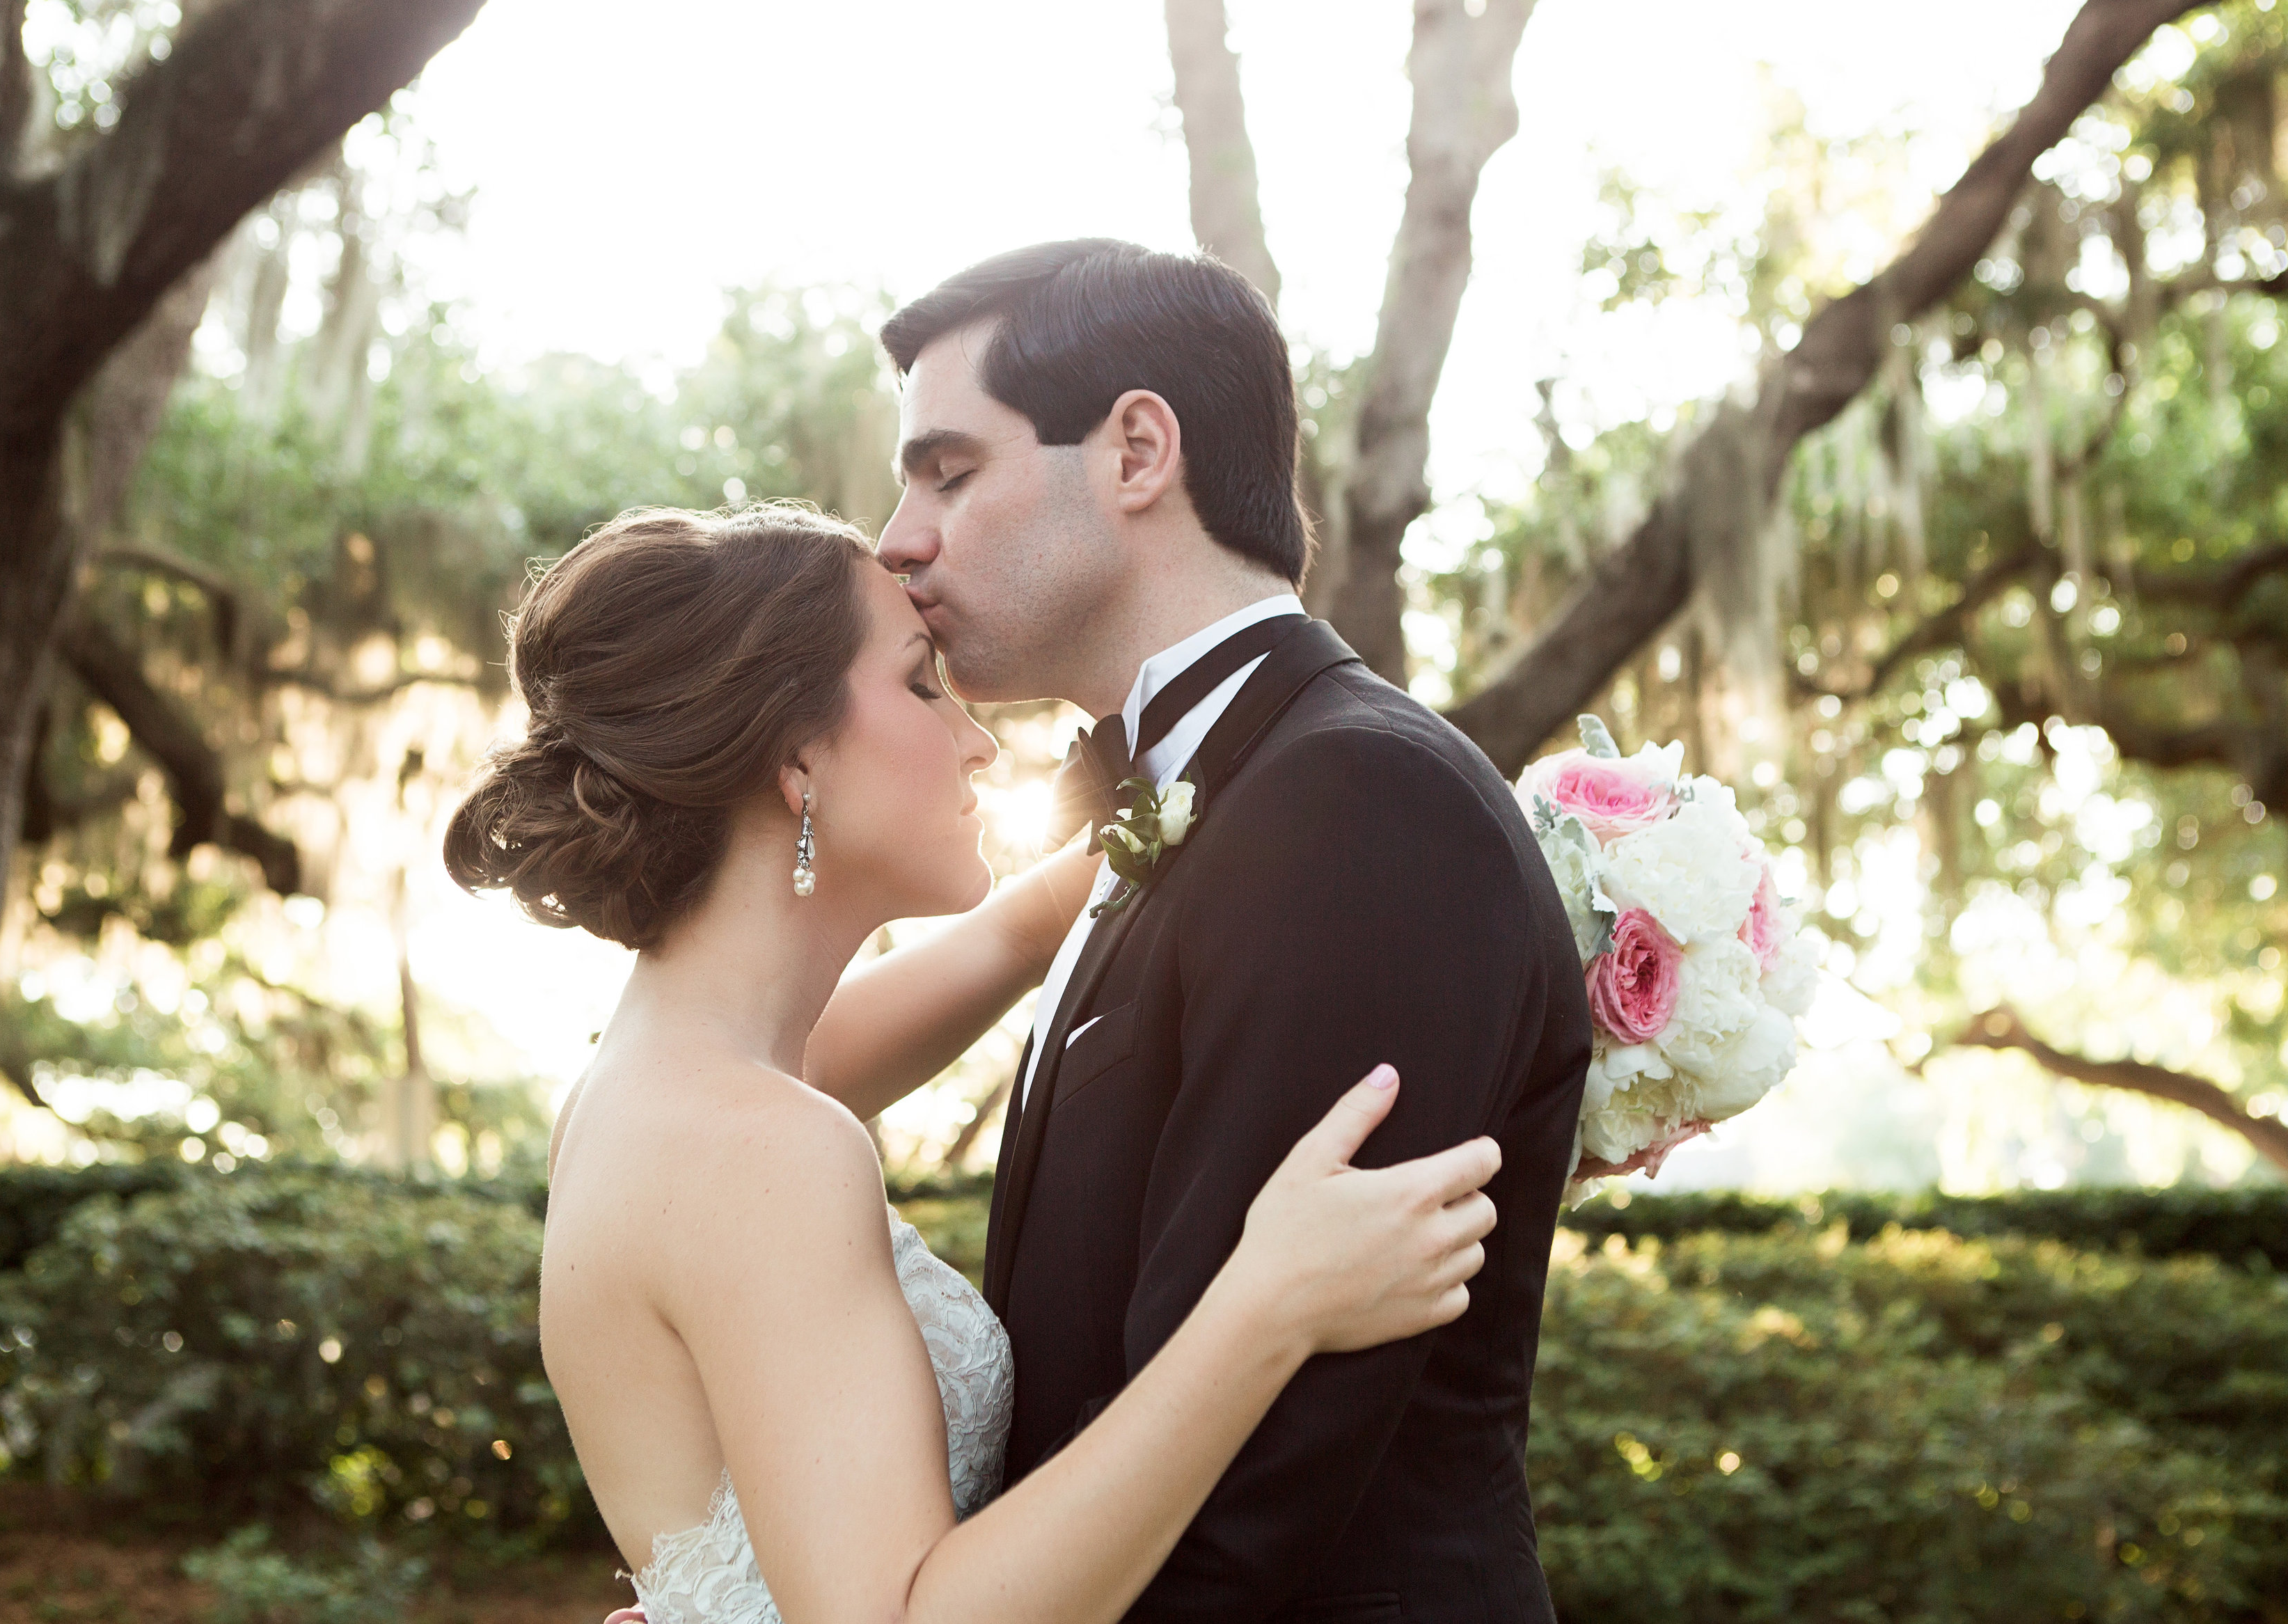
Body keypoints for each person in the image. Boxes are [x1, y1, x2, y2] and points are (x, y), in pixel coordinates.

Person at [445, 503, 1504, 1624]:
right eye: (918, 684)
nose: (978, 739)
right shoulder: (763, 1152)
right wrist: (1270, 1304)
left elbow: (1007, 934)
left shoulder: (652, 1088)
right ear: (795, 761)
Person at [871, 239, 1591, 1621]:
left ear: (1138, 449)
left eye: (947, 471)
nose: (900, 538)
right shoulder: (1190, 805)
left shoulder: (1360, 802)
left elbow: (1256, 1488)